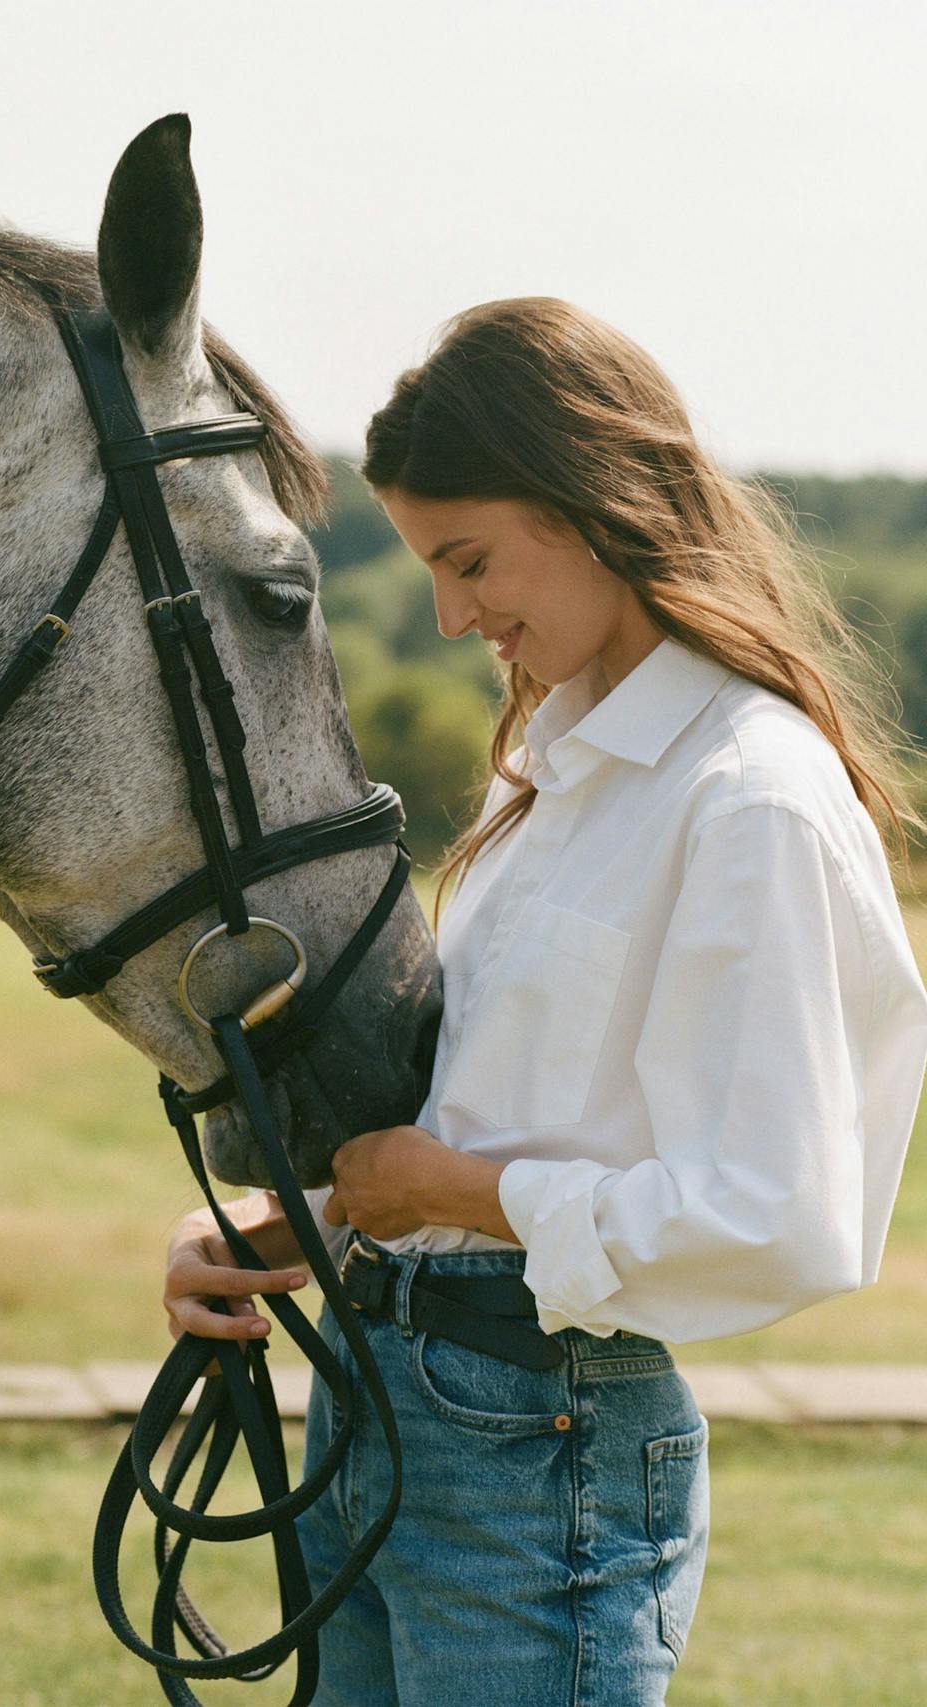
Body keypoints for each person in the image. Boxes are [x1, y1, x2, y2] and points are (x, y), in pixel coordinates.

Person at [162, 296, 927, 1704]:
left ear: (589, 504)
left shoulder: (749, 799)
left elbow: (773, 1212)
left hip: (541, 1433)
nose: (454, 617)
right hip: (379, 1398)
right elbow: (507, 1111)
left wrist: (450, 1184)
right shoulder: (549, 777)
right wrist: (306, 1225)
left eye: (469, 561)